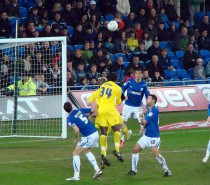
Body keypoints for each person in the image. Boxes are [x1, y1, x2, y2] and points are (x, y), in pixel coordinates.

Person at [127, 94, 172, 177]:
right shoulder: (149, 110)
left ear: (153, 101)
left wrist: (141, 119)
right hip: (147, 136)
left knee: (155, 153)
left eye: (149, 98)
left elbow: (144, 121)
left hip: (154, 136)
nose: (147, 99)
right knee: (135, 150)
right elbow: (145, 122)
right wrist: (143, 127)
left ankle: (168, 171)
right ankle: (134, 170)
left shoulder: (154, 110)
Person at [88, 73, 124, 164]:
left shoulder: (103, 85)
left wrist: (89, 102)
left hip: (101, 112)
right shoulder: (118, 88)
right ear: (116, 80)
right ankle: (116, 150)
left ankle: (103, 154)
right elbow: (119, 101)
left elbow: (93, 96)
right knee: (117, 129)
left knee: (103, 133)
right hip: (111, 110)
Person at [63, 102, 102, 181]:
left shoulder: (69, 118)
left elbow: (76, 130)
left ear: (65, 110)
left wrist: (75, 138)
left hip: (88, 136)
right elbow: (93, 110)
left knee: (75, 153)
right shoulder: (79, 110)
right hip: (95, 133)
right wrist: (90, 116)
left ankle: (76, 176)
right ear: (71, 106)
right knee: (86, 150)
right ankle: (97, 170)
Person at [120, 69, 150, 147]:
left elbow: (148, 97)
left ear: (141, 75)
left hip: (138, 107)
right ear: (134, 74)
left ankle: (145, 140)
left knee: (142, 123)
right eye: (136, 73)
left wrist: (146, 107)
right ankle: (122, 140)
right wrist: (123, 95)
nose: (137, 75)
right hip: (128, 106)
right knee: (122, 122)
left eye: (139, 73)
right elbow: (122, 88)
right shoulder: (130, 82)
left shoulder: (144, 85)